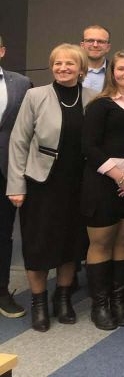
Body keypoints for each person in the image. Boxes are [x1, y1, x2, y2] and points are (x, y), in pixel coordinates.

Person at [7, 44, 96, 331]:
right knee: (39, 245)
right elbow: (19, 141)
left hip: (77, 184)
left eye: (70, 63)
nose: (63, 68)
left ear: (81, 69)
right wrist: (16, 185)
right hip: (41, 183)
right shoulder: (36, 96)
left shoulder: (93, 98)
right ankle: (39, 302)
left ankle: (63, 297)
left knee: (71, 243)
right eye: (58, 63)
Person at [81, 50, 124, 330]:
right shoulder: (100, 105)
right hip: (104, 183)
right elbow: (89, 146)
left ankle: (119, 301)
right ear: (112, 73)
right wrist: (120, 178)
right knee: (101, 243)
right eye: (121, 69)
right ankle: (100, 305)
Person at [0, 35, 32, 318]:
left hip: (6, 169)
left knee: (3, 233)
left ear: (2, 51)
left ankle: (1, 291)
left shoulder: (21, 84)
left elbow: (29, 129)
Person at [80, 25, 112, 92]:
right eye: (90, 41)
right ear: (82, 46)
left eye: (100, 41)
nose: (95, 45)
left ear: (108, 47)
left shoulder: (115, 71)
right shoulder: (72, 70)